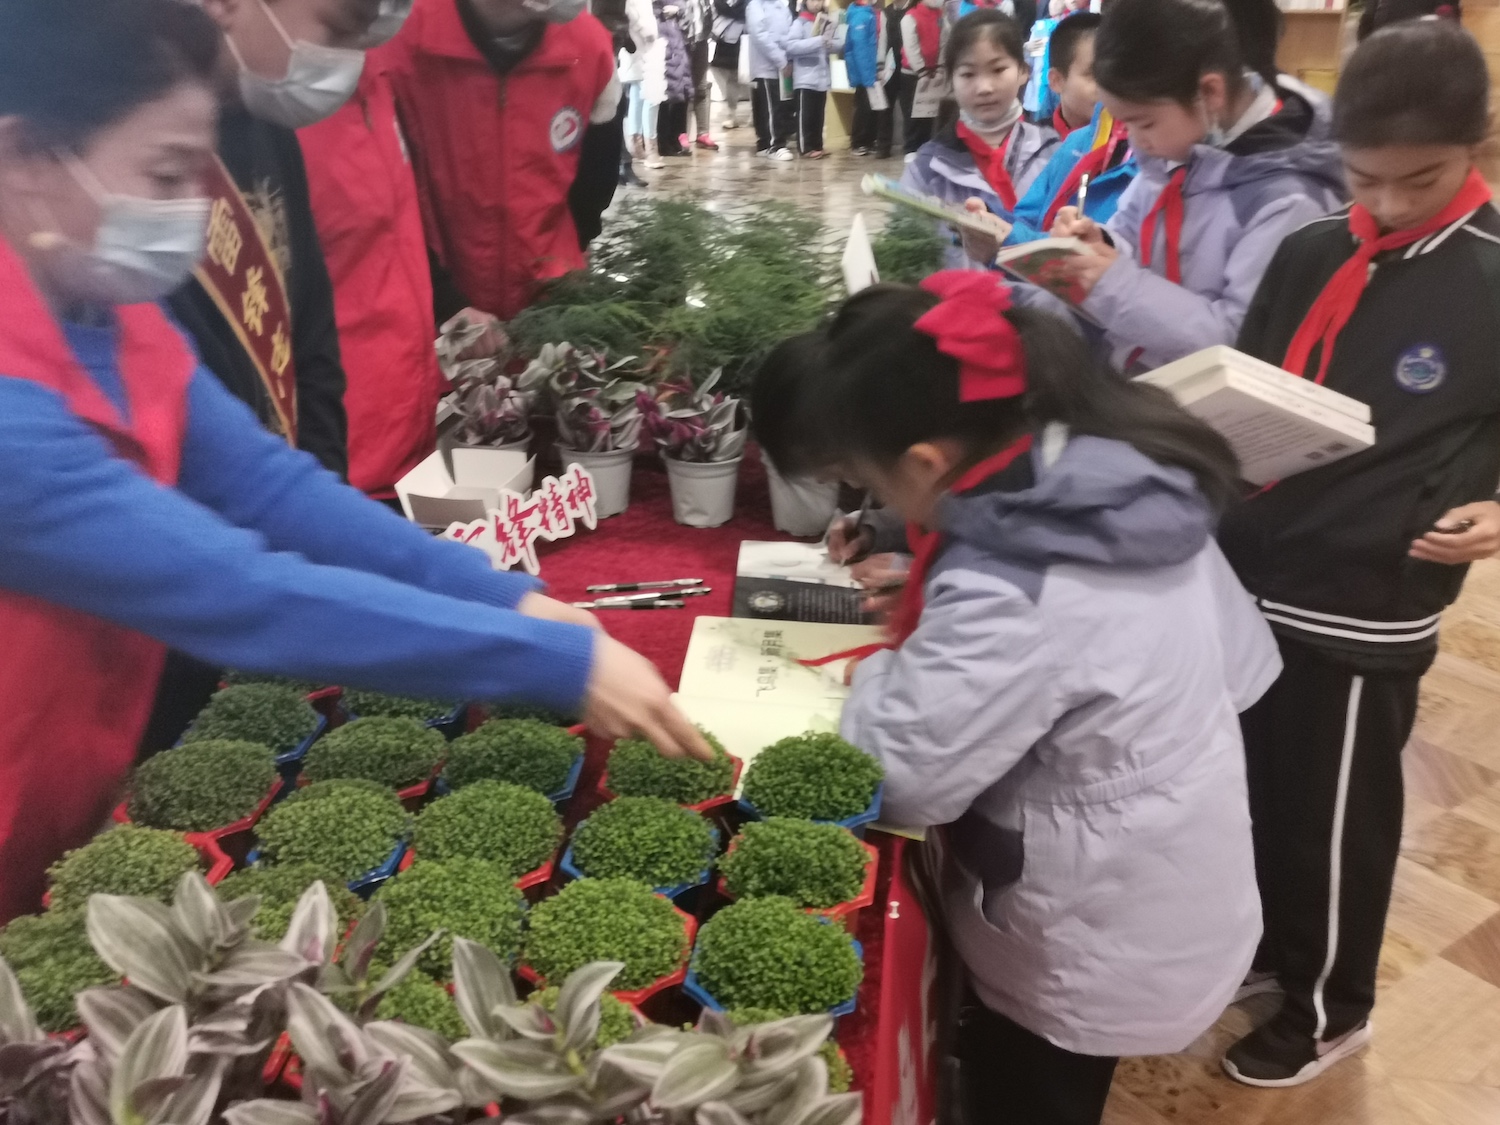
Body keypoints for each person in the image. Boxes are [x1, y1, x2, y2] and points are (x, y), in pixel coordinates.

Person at [0, 0, 710, 924]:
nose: (186, 218)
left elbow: (270, 487)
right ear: (23, 159)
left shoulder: (109, 309)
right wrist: (544, 654)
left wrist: (504, 595)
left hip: (60, 778)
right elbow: (235, 589)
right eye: (164, 174)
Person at [754, 272, 1278, 1125]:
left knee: (1035, 1091)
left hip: (1090, 911)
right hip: (1160, 839)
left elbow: (901, 773)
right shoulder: (1095, 454)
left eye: (873, 486)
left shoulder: (1019, 585)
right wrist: (928, 574)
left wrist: (886, 668)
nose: (879, 505)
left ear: (927, 460)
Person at [1216, 20, 1500, 1088]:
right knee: (1252, 790)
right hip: (1252, 575)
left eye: (1417, 181)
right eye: (1362, 177)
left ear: (1479, 142)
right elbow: (1251, 386)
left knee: (1331, 815)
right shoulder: (1309, 249)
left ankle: (1331, 1004)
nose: (1382, 205)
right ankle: (1267, 949)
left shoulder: (1491, 278)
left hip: (1367, 596)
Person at [1048, 0, 1345, 371]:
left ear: (1211, 94)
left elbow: (1241, 340)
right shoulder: (1180, 143)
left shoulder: (1290, 198)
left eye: (1144, 123)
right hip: (1139, 378)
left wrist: (1114, 283)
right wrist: (1100, 244)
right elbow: (1131, 232)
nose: (1136, 142)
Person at [298, 7, 478, 502]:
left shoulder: (374, 74)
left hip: (408, 430)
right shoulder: (286, 111)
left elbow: (397, 226)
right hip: (339, 454)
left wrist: (449, 306)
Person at [378, 0, 621, 321]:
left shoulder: (589, 47)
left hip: (551, 300)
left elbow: (597, 176)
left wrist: (569, 257)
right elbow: (383, 196)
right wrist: (442, 296)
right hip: (439, 302)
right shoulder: (399, 43)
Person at [901, 11, 1059, 266]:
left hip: (1039, 305)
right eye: (968, 74)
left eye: (998, 69)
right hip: (959, 302)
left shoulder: (1055, 153)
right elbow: (907, 253)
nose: (984, 87)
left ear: (1023, 71)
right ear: (951, 79)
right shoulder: (928, 168)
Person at [746, 0, 795, 159]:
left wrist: (788, 57)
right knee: (771, 106)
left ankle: (766, 143)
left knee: (778, 105)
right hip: (765, 66)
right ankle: (775, 145)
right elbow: (759, 35)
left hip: (781, 64)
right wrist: (780, 59)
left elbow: (789, 33)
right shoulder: (755, 6)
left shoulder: (781, 7)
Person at [787, 0, 836, 158]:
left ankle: (817, 145)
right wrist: (818, 41)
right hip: (805, 78)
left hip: (821, 78)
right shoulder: (799, 23)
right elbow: (791, 46)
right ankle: (805, 147)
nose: (817, 3)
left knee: (818, 115)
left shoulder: (825, 21)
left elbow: (832, 45)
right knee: (805, 116)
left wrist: (831, 43)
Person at [898, 0, 946, 157]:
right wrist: (921, 70)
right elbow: (911, 47)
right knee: (913, 116)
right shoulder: (910, 17)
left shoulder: (941, 15)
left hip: (933, 74)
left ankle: (925, 151)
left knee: (929, 115)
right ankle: (911, 150)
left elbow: (944, 42)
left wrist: (939, 67)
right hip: (912, 75)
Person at [846, 0, 893, 156]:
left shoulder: (870, 13)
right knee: (863, 107)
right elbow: (860, 49)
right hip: (864, 73)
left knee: (872, 107)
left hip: (870, 70)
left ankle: (868, 140)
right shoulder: (860, 16)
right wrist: (868, 76)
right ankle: (858, 142)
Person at [1044, 9, 1098, 136]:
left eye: (1113, 71)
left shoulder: (1135, 144)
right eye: (1094, 73)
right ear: (1056, 81)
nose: (1108, 85)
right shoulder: (1033, 146)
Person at [656, 0, 696, 156]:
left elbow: (688, 17)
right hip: (662, 43)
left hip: (678, 44)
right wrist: (661, 12)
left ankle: (674, 138)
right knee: (664, 96)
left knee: (680, 95)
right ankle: (663, 141)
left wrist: (679, 11)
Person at [709, 0, 749, 130]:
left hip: (749, 33)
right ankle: (731, 114)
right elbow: (719, 5)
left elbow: (748, 7)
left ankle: (757, 115)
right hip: (729, 35)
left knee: (756, 79)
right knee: (732, 76)